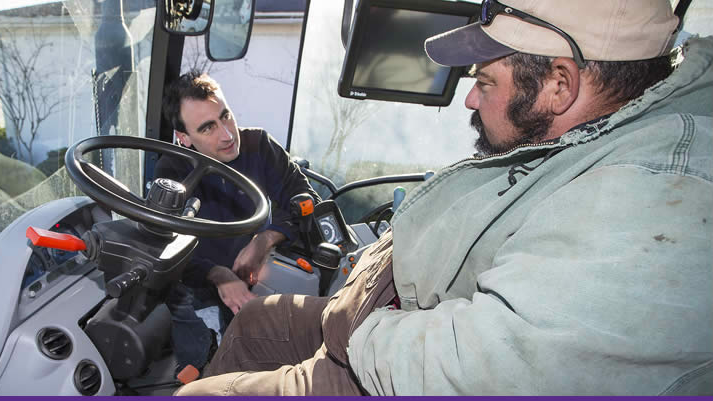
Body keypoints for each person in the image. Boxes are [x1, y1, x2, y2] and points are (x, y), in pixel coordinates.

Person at [176, 0, 712, 395]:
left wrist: (357, 332)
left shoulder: (653, 194)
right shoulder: (571, 139)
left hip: (389, 360)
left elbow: (480, 366)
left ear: (559, 85)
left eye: (485, 81)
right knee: (253, 321)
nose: (471, 99)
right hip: (376, 319)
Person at [154, 71, 321, 378]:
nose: (227, 135)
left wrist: (265, 240)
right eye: (208, 128)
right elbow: (165, 244)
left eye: (225, 116)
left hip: (258, 274)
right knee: (201, 364)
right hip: (196, 284)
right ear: (184, 138)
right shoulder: (171, 170)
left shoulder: (259, 145)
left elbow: (304, 197)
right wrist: (216, 274)